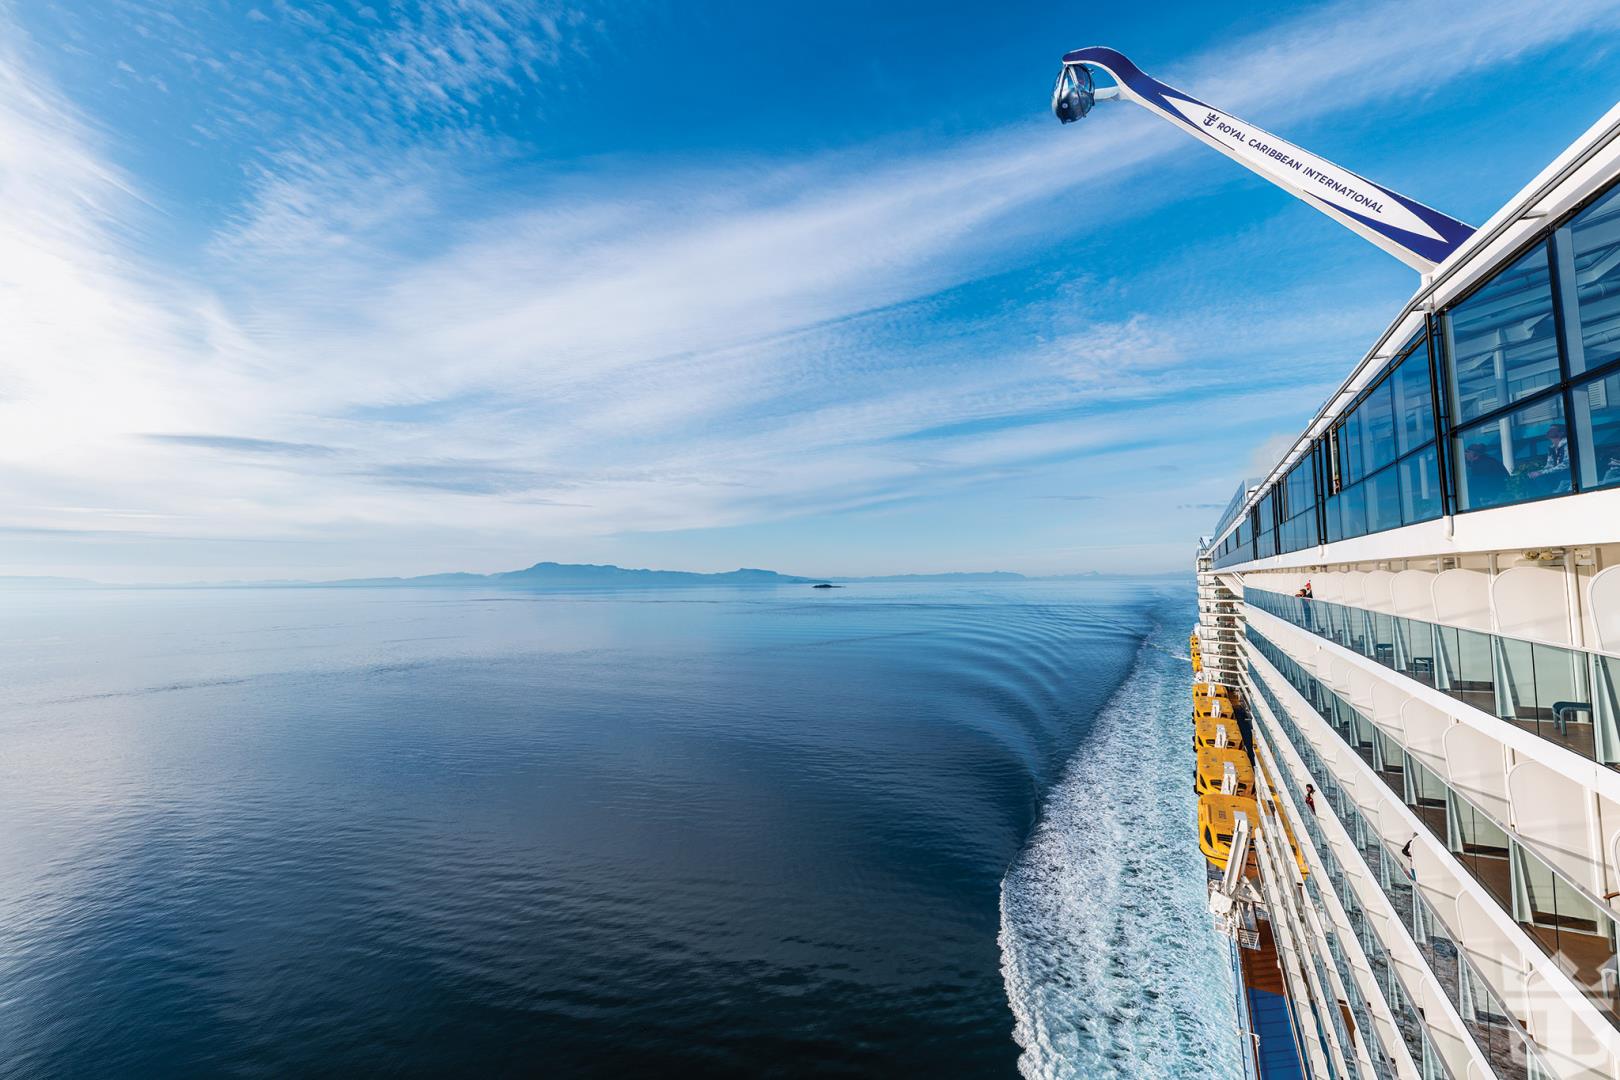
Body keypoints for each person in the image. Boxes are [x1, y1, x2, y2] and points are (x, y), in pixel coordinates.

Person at [1527, 422, 1571, 492]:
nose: (1549, 432)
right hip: (1557, 478)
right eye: (1550, 430)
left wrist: (1542, 473)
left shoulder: (1568, 444)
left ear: (1561, 433)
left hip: (1568, 479)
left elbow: (1566, 464)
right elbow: (1549, 465)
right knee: (1536, 479)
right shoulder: (1551, 448)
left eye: (1553, 430)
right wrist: (1537, 472)